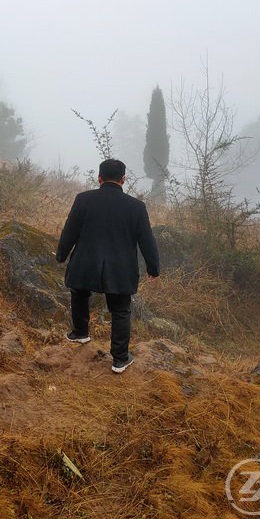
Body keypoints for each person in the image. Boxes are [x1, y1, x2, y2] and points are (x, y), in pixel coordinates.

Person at [55, 159, 159, 373]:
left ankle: (80, 333)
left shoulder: (83, 199)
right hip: (119, 268)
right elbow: (147, 241)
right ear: (123, 179)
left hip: (86, 262)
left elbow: (70, 231)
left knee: (79, 292)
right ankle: (120, 359)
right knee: (121, 310)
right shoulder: (136, 207)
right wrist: (153, 268)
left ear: (99, 178)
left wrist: (61, 255)